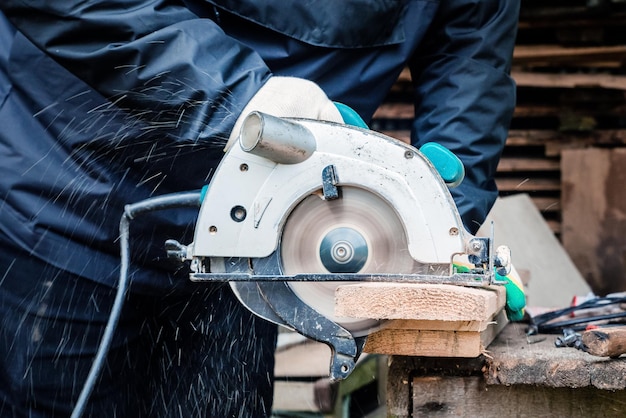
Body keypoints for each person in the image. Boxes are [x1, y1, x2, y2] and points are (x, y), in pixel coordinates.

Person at [0, 1, 520, 417]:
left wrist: (444, 234)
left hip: (261, 249)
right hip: (71, 199)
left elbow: (470, 66)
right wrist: (236, 97)